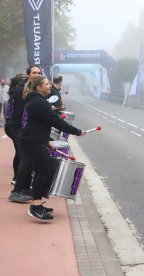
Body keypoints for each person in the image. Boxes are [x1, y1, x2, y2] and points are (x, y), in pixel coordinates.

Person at [20, 75, 85, 221]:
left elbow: (36, 124)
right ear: (39, 87)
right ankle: (35, 207)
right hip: (32, 142)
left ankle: (38, 203)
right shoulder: (39, 102)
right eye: (47, 84)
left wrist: (47, 141)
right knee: (43, 171)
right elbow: (56, 121)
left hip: (34, 141)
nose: (50, 86)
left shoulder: (36, 101)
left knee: (46, 168)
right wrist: (77, 131)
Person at [7, 65, 42, 202]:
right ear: (29, 75)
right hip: (16, 127)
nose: (36, 74)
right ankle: (16, 191)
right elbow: (23, 113)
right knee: (26, 158)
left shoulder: (31, 89)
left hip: (22, 128)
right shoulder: (23, 90)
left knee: (26, 157)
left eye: (39, 72)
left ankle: (26, 188)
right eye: (34, 72)